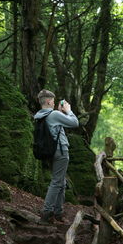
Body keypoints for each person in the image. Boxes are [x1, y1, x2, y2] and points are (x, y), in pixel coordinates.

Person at [34, 89, 79, 224]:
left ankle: (58, 213)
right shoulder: (53, 114)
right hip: (60, 152)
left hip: (50, 153)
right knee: (57, 182)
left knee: (61, 182)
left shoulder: (39, 116)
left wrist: (60, 112)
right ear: (48, 101)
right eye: (53, 101)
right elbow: (75, 123)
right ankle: (46, 213)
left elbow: (54, 125)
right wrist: (68, 110)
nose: (54, 103)